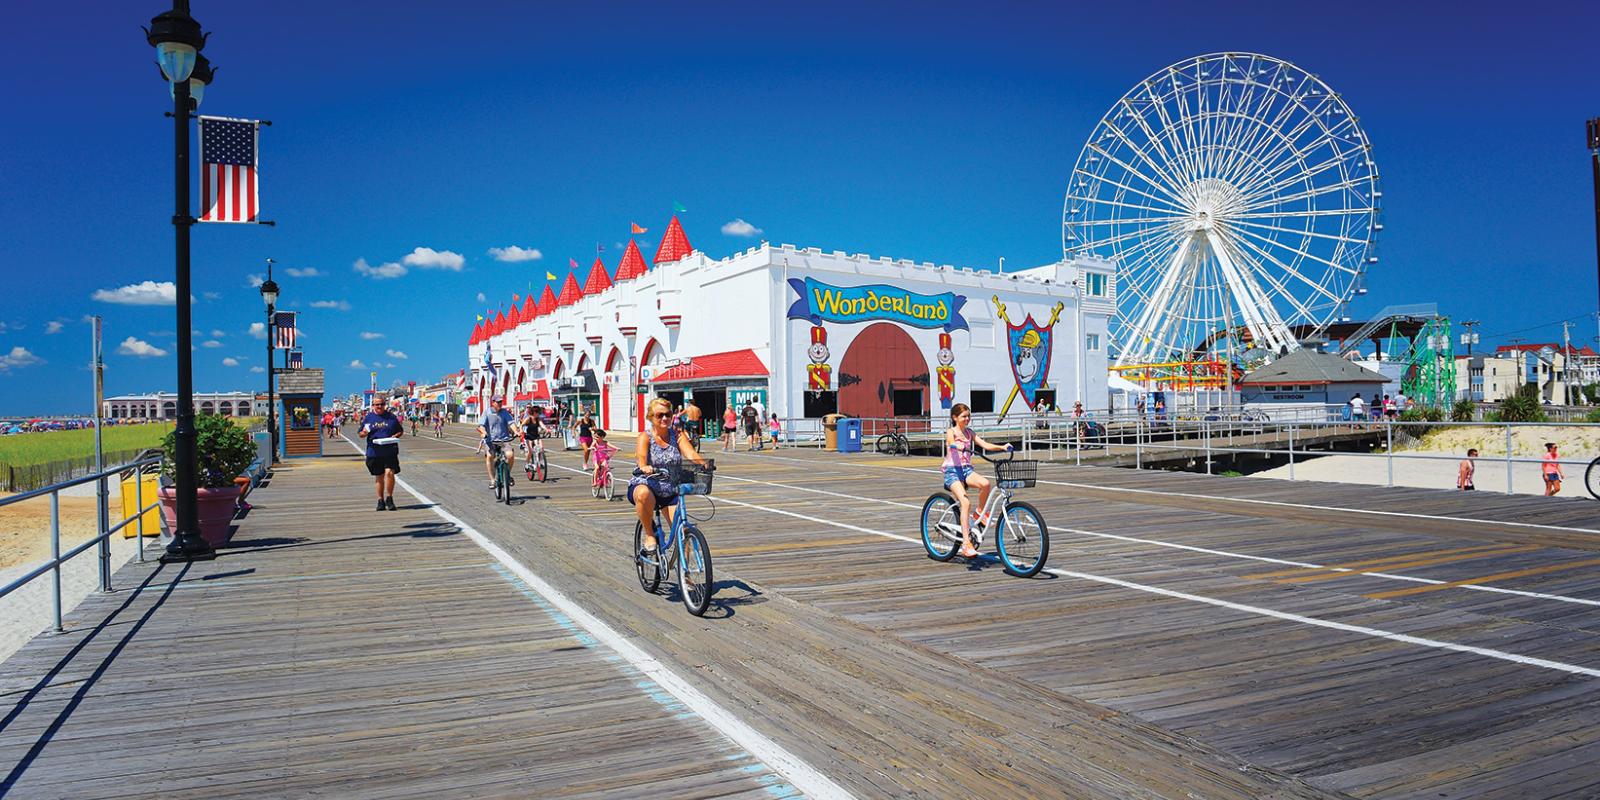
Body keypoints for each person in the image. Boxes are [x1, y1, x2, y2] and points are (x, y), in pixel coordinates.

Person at [629, 397, 712, 556]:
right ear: (650, 417)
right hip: (648, 483)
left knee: (683, 530)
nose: (665, 418)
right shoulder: (645, 437)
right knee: (642, 494)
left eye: (667, 414)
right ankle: (649, 534)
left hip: (670, 487)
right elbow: (641, 458)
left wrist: (703, 463)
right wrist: (644, 467)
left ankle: (686, 576)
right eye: (659, 415)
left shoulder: (677, 435)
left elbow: (690, 452)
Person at [941, 402, 1011, 559]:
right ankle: (966, 544)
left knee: (985, 484)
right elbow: (951, 443)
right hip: (952, 472)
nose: (967, 419)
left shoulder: (970, 433)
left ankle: (980, 512)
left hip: (966, 470)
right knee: (965, 503)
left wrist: (1002, 447)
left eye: (968, 416)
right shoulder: (951, 431)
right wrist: (956, 447)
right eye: (963, 416)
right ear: (955, 417)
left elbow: (984, 444)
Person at [359, 396, 404, 511]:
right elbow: (361, 433)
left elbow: (400, 431)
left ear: (385, 405)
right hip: (374, 451)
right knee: (379, 476)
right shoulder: (369, 418)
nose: (379, 406)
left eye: (382, 404)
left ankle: (389, 498)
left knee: (389, 473)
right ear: (373, 406)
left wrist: (396, 436)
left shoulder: (391, 417)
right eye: (377, 404)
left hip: (390, 450)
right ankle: (380, 500)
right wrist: (364, 433)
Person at [476, 396, 522, 489]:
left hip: (504, 439)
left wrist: (516, 431)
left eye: (501, 402)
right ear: (493, 402)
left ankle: (507, 475)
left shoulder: (504, 412)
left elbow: (511, 423)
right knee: (490, 456)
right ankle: (493, 480)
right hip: (490, 440)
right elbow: (481, 425)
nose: (500, 404)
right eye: (498, 402)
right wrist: (484, 433)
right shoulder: (487, 412)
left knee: (510, 455)